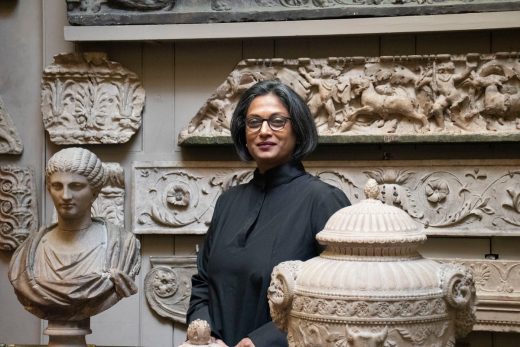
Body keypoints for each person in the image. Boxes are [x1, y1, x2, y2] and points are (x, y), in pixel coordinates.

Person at [187, 80, 350, 347]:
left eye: (277, 121)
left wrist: (262, 342)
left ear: (298, 128)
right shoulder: (228, 201)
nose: (264, 131)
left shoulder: (323, 200)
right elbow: (203, 284)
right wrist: (203, 333)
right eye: (254, 122)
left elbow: (339, 296)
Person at [9, 147, 140, 321]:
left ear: (94, 192)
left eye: (76, 186)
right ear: (49, 190)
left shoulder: (123, 246)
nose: (65, 195)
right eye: (57, 186)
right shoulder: (27, 254)